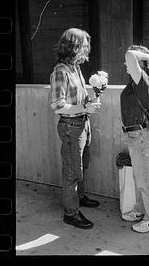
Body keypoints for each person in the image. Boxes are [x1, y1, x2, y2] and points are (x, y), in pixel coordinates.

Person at [50, 28, 101, 230]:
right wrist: (84, 107)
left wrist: (93, 98)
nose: (87, 49)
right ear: (73, 47)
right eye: (84, 45)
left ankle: (79, 197)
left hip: (83, 123)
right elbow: (57, 106)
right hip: (71, 126)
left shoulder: (76, 68)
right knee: (72, 171)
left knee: (82, 165)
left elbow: (81, 99)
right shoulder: (60, 71)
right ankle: (71, 212)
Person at [120, 45, 149, 233]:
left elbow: (130, 55)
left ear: (140, 63)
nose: (125, 65)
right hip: (137, 136)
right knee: (142, 177)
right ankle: (143, 210)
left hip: (143, 137)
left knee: (146, 180)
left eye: (130, 63)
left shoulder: (142, 80)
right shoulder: (137, 82)